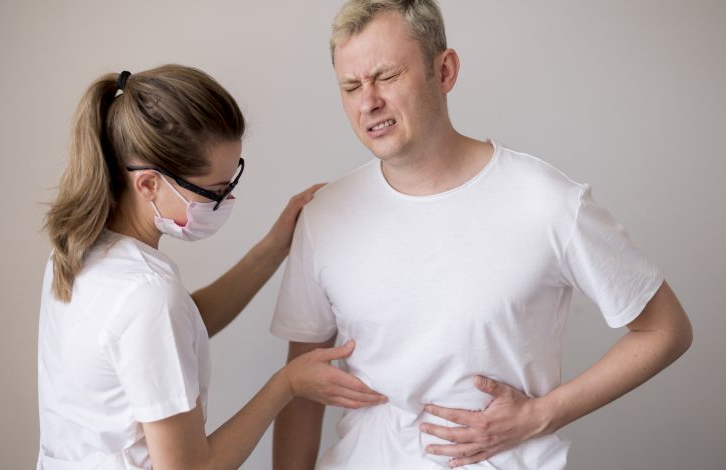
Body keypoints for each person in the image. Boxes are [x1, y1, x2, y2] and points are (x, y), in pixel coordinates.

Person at [270, 1, 693, 469]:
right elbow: (302, 384)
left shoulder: (546, 202)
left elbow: (666, 329)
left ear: (444, 71)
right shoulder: (325, 216)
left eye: (386, 77)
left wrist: (542, 415)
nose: (369, 102)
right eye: (351, 86)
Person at [37, 64, 387, 469]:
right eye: (215, 192)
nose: (226, 202)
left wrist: (273, 247)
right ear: (149, 184)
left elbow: (178, 327)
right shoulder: (146, 295)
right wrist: (286, 384)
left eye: (231, 182)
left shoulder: (78, 250)